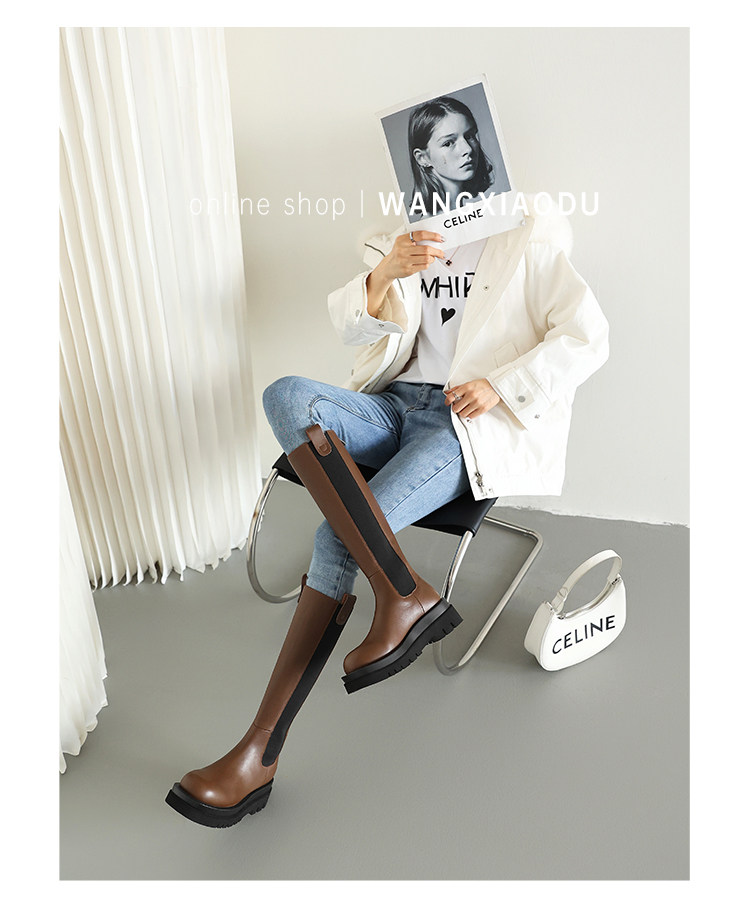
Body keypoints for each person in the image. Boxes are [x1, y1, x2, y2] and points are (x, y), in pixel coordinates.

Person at [166, 193, 610, 828]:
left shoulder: (528, 238)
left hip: (459, 425)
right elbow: (358, 332)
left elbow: (588, 337)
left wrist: (501, 385)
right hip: (392, 405)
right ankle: (403, 591)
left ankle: (257, 754)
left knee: (335, 537)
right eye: (428, 151)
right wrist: (383, 275)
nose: (444, 158)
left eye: (457, 146)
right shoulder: (406, 237)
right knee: (287, 396)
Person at [408, 95, 501, 215]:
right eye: (448, 143)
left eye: (469, 136)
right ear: (423, 158)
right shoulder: (432, 224)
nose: (468, 149)